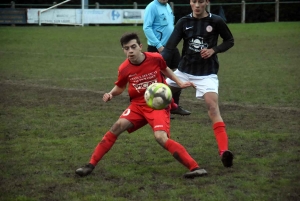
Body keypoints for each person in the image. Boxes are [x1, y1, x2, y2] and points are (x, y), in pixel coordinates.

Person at [75, 32, 207, 179]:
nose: (130, 51)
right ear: (123, 50)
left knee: (160, 137)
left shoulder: (155, 58)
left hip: (158, 105)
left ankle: (195, 167)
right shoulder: (124, 68)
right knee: (116, 127)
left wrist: (180, 82)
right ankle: (90, 165)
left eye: (133, 47)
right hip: (137, 105)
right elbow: (120, 87)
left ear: (140, 46)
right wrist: (111, 94)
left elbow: (165, 69)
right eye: (126, 48)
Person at [161, 0, 234, 167]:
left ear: (207, 2)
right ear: (190, 2)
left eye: (201, 1)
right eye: (194, 1)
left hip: (207, 73)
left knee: (212, 107)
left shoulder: (216, 21)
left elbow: (229, 41)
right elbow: (170, 47)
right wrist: (157, 62)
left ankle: (224, 152)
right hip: (184, 71)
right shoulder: (183, 22)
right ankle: (162, 119)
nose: (197, 5)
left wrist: (214, 50)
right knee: (159, 94)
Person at [143, 0, 191, 116]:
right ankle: (159, 108)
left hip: (171, 47)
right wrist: (159, 45)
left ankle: (174, 106)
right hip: (158, 48)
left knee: (179, 74)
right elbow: (147, 28)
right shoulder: (152, 7)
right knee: (159, 78)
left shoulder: (168, 6)